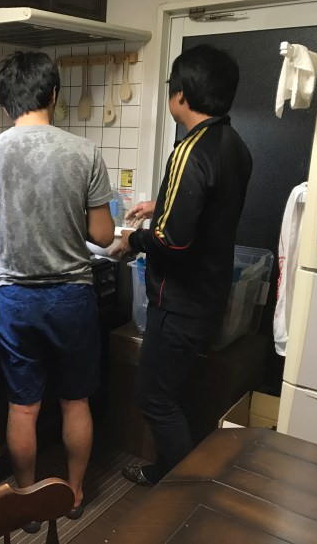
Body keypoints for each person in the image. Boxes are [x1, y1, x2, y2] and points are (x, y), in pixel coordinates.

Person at [0, 50, 115, 529]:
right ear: (53, 93)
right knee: (75, 401)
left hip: (15, 299)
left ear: (4, 101)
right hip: (71, 295)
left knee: (23, 407)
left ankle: (27, 501)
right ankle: (74, 493)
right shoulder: (85, 152)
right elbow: (104, 235)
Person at [111, 44, 252, 486]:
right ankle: (165, 471)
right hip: (208, 294)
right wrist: (160, 205)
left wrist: (130, 241)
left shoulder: (190, 150)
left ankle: (184, 495)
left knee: (154, 397)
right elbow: (211, 207)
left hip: (180, 301)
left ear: (181, 95)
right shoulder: (233, 144)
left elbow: (172, 241)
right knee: (173, 392)